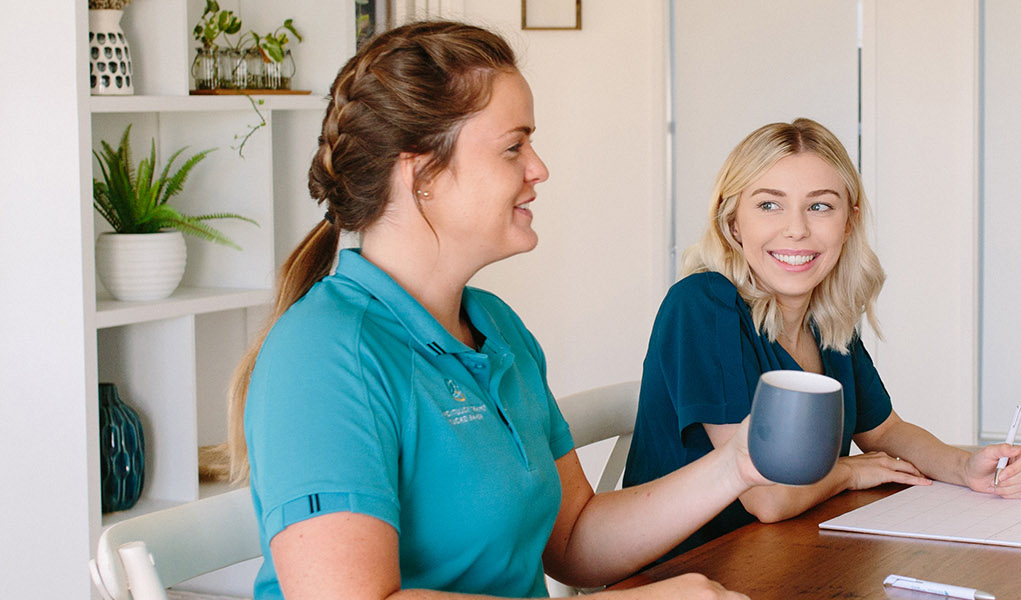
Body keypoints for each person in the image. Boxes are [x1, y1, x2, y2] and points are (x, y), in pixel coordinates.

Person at [231, 21, 757, 599]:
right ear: (421, 174)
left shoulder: (496, 327)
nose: (538, 168)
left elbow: (574, 539)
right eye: (514, 147)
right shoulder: (323, 357)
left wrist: (740, 464)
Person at [624, 118, 1021, 558]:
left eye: (819, 206)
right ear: (733, 222)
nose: (796, 228)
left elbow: (885, 430)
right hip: (687, 574)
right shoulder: (702, 305)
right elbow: (768, 496)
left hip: (785, 558)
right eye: (769, 205)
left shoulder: (826, 318)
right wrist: (849, 473)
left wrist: (964, 466)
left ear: (849, 221)